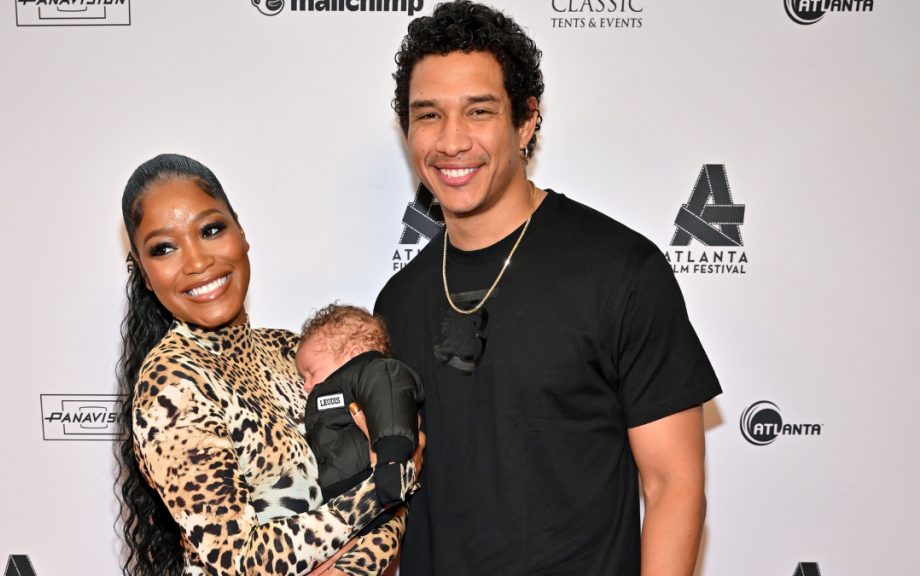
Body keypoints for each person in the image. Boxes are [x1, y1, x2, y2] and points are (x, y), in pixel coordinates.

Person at [373, 2, 723, 575]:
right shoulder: (397, 301)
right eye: (428, 115)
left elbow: (672, 486)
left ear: (526, 120)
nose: (451, 141)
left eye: (478, 111)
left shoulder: (621, 270)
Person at [114, 154, 420, 576]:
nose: (197, 262)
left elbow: (394, 481)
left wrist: (353, 563)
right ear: (146, 276)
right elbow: (242, 559)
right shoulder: (171, 385)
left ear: (240, 231)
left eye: (210, 229)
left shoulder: (289, 349)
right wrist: (385, 486)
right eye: (164, 248)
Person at [296, 304, 424, 507]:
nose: (306, 385)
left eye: (312, 372)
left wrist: (391, 460)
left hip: (376, 481)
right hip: (340, 499)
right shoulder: (334, 392)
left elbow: (391, 404)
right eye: (303, 377)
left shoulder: (377, 372)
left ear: (354, 355)